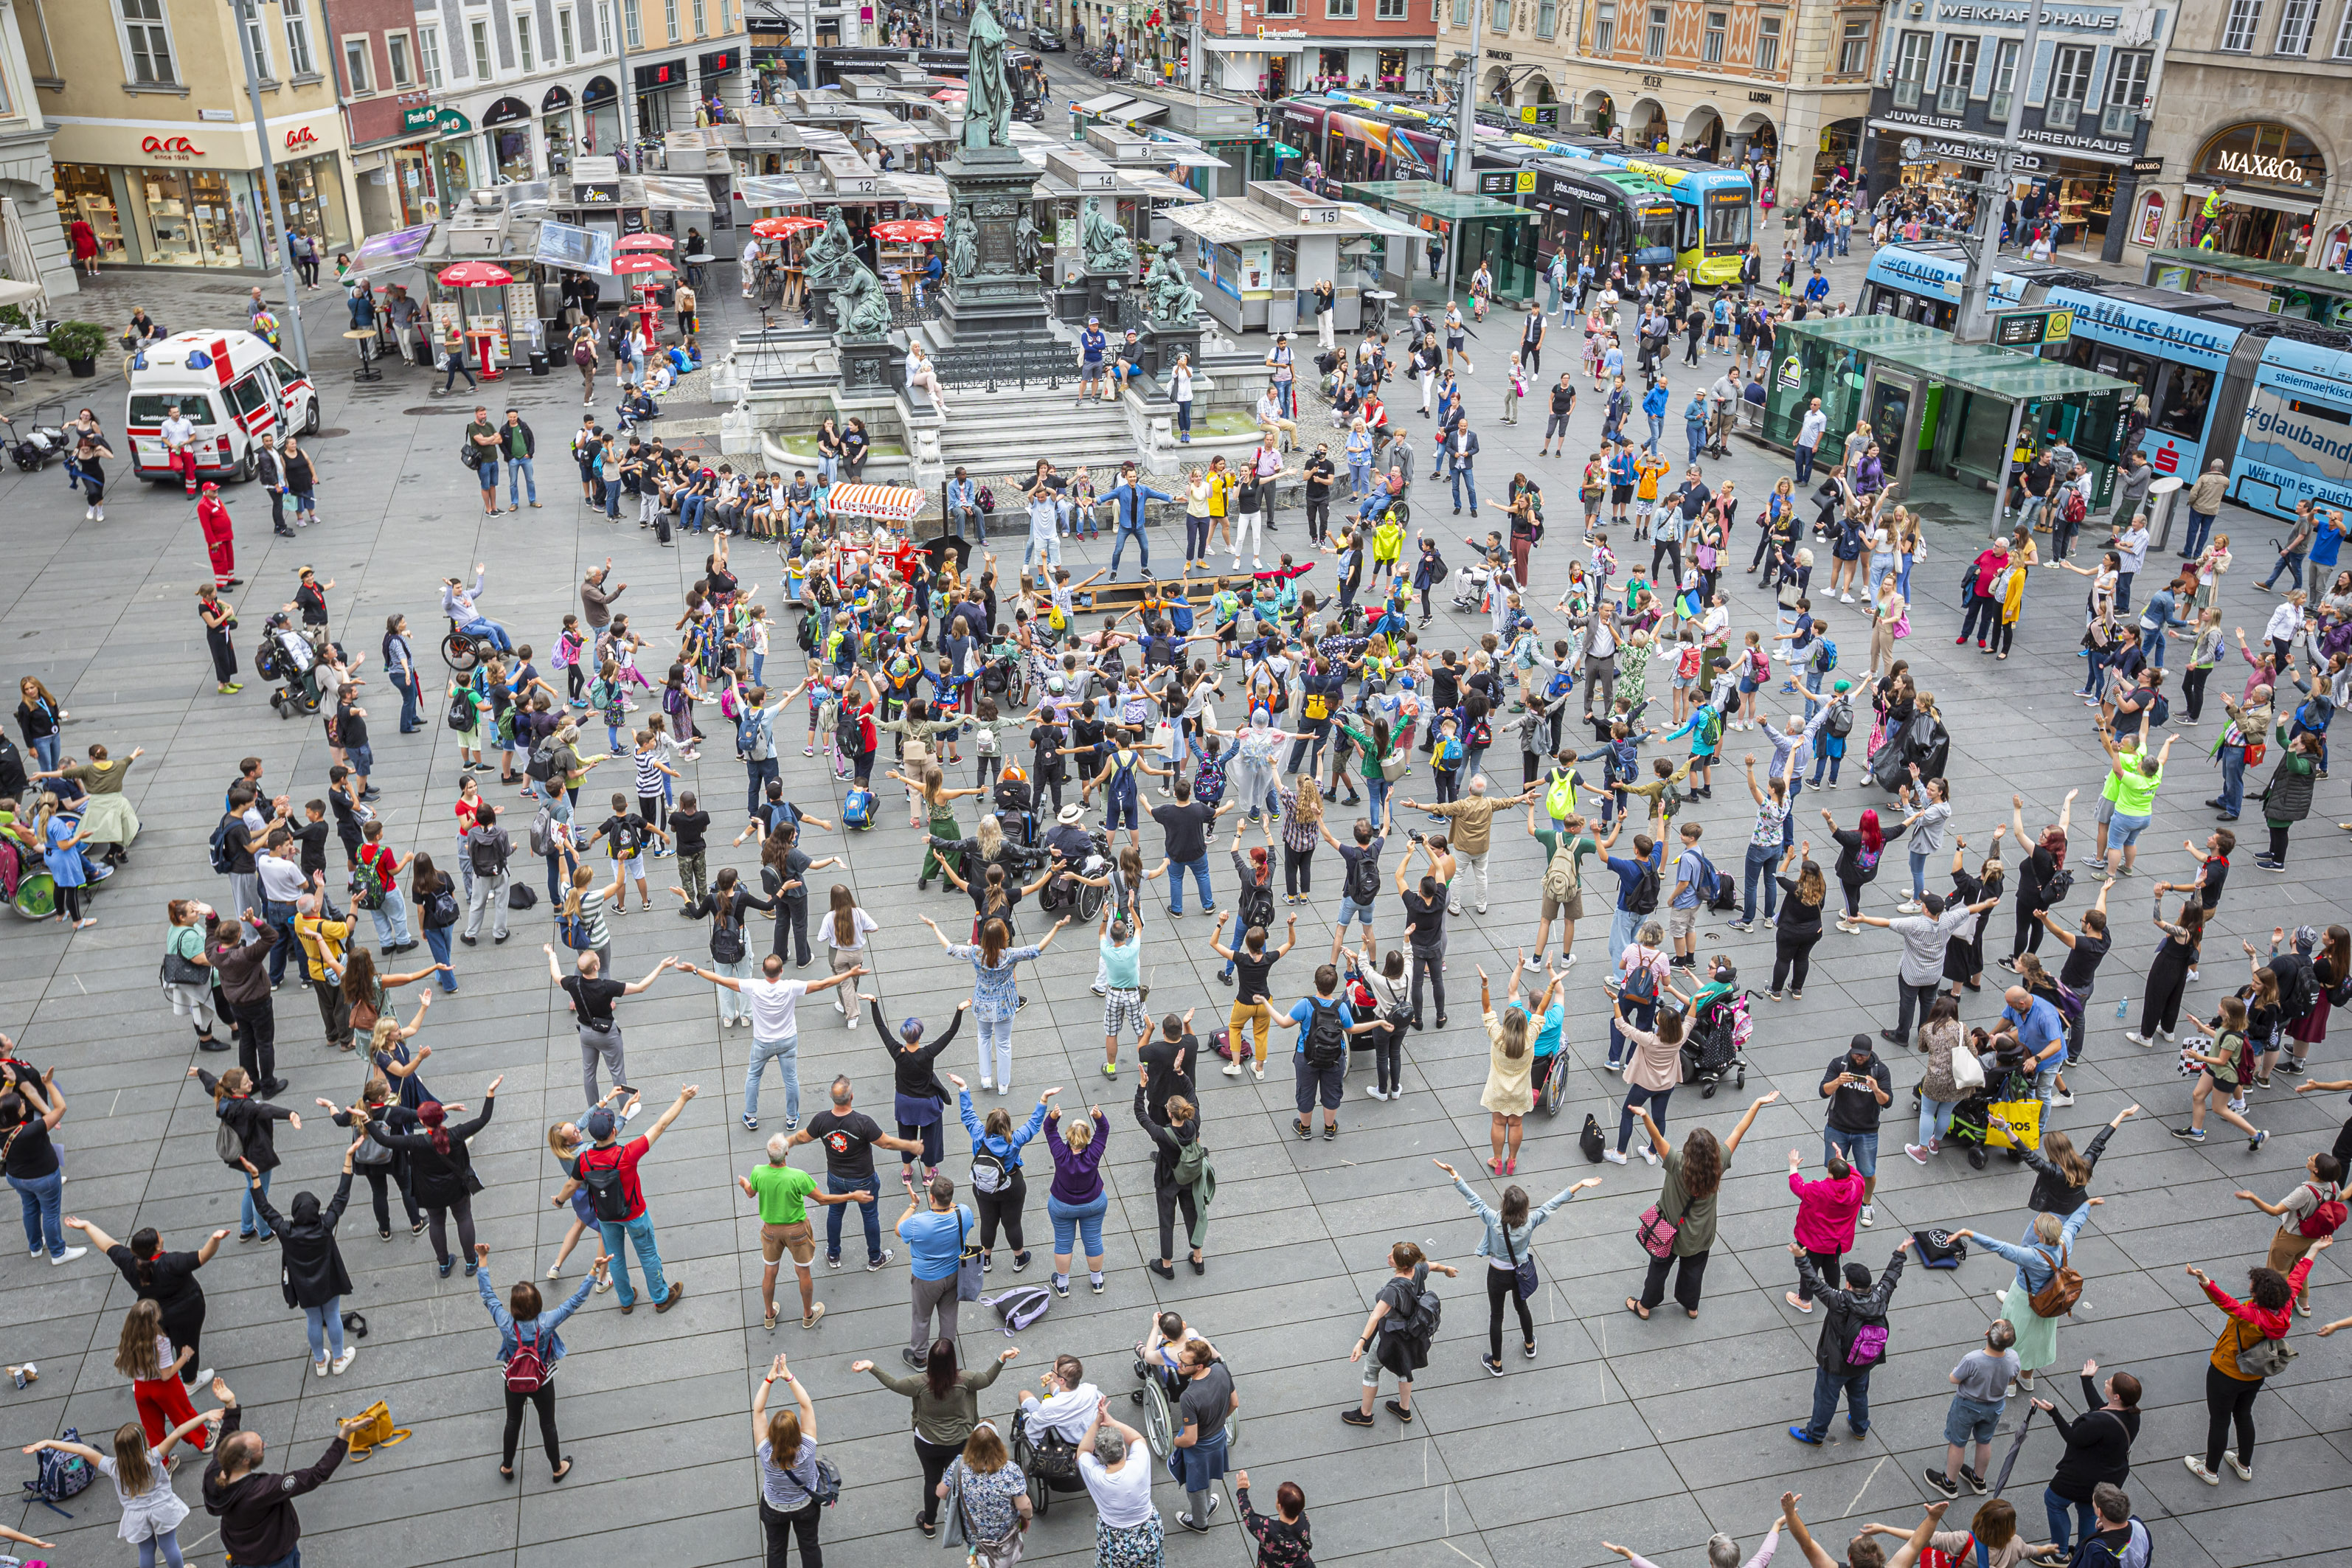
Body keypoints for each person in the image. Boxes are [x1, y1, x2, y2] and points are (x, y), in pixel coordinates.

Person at [1435, 1157, 1598, 1375]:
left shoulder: (1493, 1219)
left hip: (1497, 1274)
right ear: (1525, 1206)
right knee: (1522, 1308)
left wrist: (1454, 1174)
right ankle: (1530, 1345)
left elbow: (1473, 1199)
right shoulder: (1531, 1220)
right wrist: (1579, 1184)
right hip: (1520, 1273)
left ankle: (1497, 1364)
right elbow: (1554, 1203)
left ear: (1504, 1204)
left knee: (1496, 1316)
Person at [1626, 1091, 1777, 1319]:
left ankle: (1646, 1306)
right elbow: (1739, 1130)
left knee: (1659, 1268)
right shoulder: (1721, 1161)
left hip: (1669, 1233)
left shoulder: (1677, 1163)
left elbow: (1656, 1138)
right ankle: (1691, 1306)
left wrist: (1646, 1116)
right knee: (1694, 1271)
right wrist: (1757, 1102)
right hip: (1702, 1235)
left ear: (1688, 1150)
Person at [2182, 1243, 2324, 1485]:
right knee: (2244, 1414)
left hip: (2226, 1372)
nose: (2250, 1286)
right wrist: (2315, 1249)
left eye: (2253, 1285)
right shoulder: (2285, 1306)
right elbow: (2299, 1275)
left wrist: (2204, 1279)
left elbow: (2226, 1302)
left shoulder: (2252, 1316)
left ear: (2258, 1294)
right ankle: (2244, 1464)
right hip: (2255, 1374)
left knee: (2219, 1421)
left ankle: (2210, 1471)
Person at [555, 1084, 699, 1314]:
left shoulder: (584, 1160)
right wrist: (683, 1099)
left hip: (606, 1216)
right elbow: (660, 1126)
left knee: (616, 1259)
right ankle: (661, 1297)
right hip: (635, 1215)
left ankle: (626, 1299)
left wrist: (560, 1201)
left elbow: (571, 1185)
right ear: (613, 1131)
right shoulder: (627, 1154)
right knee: (648, 1255)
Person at [854, 1339, 1017, 1538]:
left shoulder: (918, 1383)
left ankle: (929, 1523)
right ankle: (961, 1518)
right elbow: (987, 1379)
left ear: (930, 1361)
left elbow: (894, 1385)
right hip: (959, 1443)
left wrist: (871, 1366)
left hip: (927, 1442)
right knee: (956, 1480)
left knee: (931, 1480)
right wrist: (1002, 1358)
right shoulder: (965, 1379)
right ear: (953, 1361)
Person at [203, 1379, 374, 1568]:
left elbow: (227, 1438)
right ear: (245, 1460)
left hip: (244, 1556)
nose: (264, 1446)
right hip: (276, 1560)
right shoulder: (264, 1489)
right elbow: (316, 1475)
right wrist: (343, 1437)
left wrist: (231, 1406)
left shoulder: (215, 1470)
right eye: (262, 1447)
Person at [474, 1238, 606, 1482]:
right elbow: (574, 1302)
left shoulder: (506, 1323)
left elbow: (488, 1296)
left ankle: (507, 1467)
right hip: (542, 1379)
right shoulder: (545, 1323)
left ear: (513, 1308)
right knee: (548, 1424)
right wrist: (593, 1271)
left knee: (512, 1421)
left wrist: (483, 1260)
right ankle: (557, 1468)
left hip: (513, 1379)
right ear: (538, 1304)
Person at [1944, 1200, 2102, 1390]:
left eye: (2036, 1223)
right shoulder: (2064, 1243)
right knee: (2035, 1342)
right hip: (2049, 1302)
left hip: (2023, 1301)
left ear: (2041, 1235)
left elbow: (1999, 1247)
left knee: (2014, 1338)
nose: (2034, 1223)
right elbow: (2075, 1223)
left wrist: (1969, 1234)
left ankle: (2010, 1382)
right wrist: (2087, 1205)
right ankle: (2027, 1378)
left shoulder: (2032, 1256)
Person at [366, 1077, 500, 1280]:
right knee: (464, 1217)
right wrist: (490, 1093)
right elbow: (483, 1119)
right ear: (442, 1119)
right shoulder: (456, 1134)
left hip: (428, 1190)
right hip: (456, 1187)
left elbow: (383, 1139)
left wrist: (367, 1121)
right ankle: (471, 1261)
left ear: (421, 1122)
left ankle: (444, 1264)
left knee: (437, 1223)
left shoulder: (416, 1142)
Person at [740, 1131, 875, 1331]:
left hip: (771, 1232)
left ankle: (769, 1315)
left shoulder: (758, 1172)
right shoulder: (798, 1176)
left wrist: (744, 1183)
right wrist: (853, 1196)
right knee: (803, 1272)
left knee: (770, 1271)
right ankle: (807, 1315)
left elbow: (751, 1193)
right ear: (786, 1155)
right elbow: (823, 1199)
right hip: (797, 1232)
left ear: (769, 1155)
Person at [1787, 1240, 1907, 1445]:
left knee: (1826, 1399)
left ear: (1849, 1284)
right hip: (1864, 1361)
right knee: (1859, 1394)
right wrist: (1899, 1254)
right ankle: (1860, 1427)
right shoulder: (1880, 1297)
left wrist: (1801, 1259)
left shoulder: (1839, 1300)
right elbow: (1890, 1278)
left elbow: (1814, 1282)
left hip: (1835, 1363)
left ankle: (1815, 1434)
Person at [1343, 1239, 1460, 1427]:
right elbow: (1435, 1266)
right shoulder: (1419, 1268)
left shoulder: (1393, 1289)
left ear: (1403, 1265)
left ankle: (1365, 1414)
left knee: (1371, 1369)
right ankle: (1404, 1408)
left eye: (1393, 1257)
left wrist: (1361, 1341)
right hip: (1413, 1335)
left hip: (1391, 1336)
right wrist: (1447, 1270)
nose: (1388, 1257)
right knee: (1405, 1368)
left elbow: (1375, 1317)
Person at [2030, 1358, 2142, 1553]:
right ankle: (2083, 1552)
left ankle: (2059, 1552)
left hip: (2080, 1476)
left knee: (2054, 1500)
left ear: (2116, 1396)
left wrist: (2053, 1412)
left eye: (2108, 1382)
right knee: (2089, 1511)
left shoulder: (2098, 1424)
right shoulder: (2132, 1414)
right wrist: (2086, 1381)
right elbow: (2102, 1409)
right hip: (2108, 1476)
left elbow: (2073, 1437)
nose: (2105, 1382)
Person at [751, 1350, 825, 1568]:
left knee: (775, 1549)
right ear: (797, 1432)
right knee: (810, 1546)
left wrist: (769, 1379)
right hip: (805, 1505)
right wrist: (789, 1377)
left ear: (771, 1434)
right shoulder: (808, 1448)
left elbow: (758, 1411)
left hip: (774, 1507)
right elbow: (806, 1405)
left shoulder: (766, 1452)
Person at [1077, 1398, 1162, 1563]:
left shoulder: (1097, 1477)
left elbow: (1083, 1451)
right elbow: (1137, 1439)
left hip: (1113, 1539)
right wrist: (1111, 1421)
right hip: (1149, 1531)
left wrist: (1097, 1423)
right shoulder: (1139, 1463)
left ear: (1100, 1456)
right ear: (1124, 1448)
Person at [1819, 1033, 1893, 1223]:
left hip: (1866, 1131)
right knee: (1832, 1169)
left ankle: (1866, 1204)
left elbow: (1888, 1102)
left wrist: (1876, 1089)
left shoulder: (1880, 1071)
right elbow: (1823, 1092)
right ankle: (1833, 1201)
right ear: (1851, 1048)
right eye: (1856, 1054)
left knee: (1867, 1172)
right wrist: (1838, 1082)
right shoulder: (1839, 1064)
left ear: (1870, 1052)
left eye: (1863, 1055)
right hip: (1837, 1127)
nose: (1859, 1058)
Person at [1786, 1148, 1864, 1313]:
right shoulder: (1856, 1187)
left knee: (1810, 1269)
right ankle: (1834, 1297)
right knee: (1832, 1267)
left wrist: (1793, 1166)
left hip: (1813, 1241)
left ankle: (1805, 1300)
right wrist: (1843, 1161)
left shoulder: (1819, 1190)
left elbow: (1797, 1186)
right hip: (1837, 1242)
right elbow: (1857, 1176)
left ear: (1831, 1175)